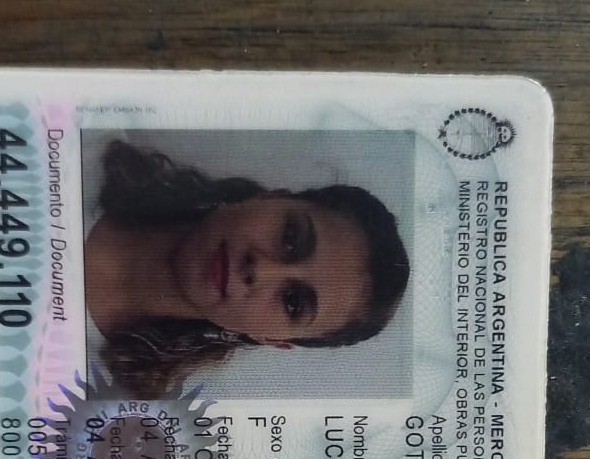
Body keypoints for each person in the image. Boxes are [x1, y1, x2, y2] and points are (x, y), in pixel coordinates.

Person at [85, 140, 410, 396]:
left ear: (271, 339)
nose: (262, 269)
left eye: (292, 302)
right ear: (270, 198)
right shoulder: (78, 147)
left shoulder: (100, 403)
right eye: (290, 238)